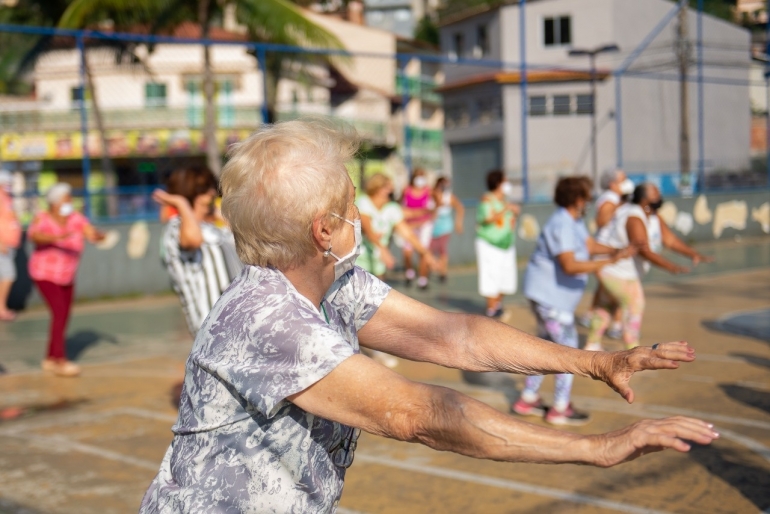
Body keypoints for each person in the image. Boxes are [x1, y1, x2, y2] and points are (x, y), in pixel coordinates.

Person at [139, 119, 718, 514]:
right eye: (348, 205)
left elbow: (457, 337)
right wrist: (597, 447)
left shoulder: (330, 281)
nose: (359, 214)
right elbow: (417, 414)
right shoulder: (267, 320)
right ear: (323, 231)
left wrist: (596, 360)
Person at [514, 177, 634, 425]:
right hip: (550, 301)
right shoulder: (562, 224)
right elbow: (569, 265)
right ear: (578, 199)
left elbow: (589, 245)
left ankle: (527, 398)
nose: (589, 201)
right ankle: (560, 407)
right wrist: (609, 262)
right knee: (567, 353)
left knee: (545, 349)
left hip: (552, 300)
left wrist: (616, 250)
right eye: (587, 197)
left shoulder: (573, 221)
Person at [585, 183, 713, 351]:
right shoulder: (633, 217)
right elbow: (643, 250)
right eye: (656, 194)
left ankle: (592, 344)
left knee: (606, 305)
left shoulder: (652, 215)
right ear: (644, 199)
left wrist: (692, 254)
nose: (660, 197)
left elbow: (670, 240)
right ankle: (633, 351)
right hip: (615, 270)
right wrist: (670, 266)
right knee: (635, 304)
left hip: (615, 270)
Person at [153, 167, 242, 336]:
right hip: (214, 326)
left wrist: (216, 213)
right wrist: (182, 204)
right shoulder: (176, 227)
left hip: (238, 317)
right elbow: (192, 240)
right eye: (203, 188)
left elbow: (245, 238)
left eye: (211, 186)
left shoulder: (211, 227)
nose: (210, 193)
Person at [27, 183, 105, 377]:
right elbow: (35, 236)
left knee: (64, 315)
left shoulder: (76, 218)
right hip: (44, 273)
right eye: (66, 198)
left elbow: (89, 231)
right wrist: (58, 236)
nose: (70, 202)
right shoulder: (42, 218)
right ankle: (60, 360)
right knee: (59, 312)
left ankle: (50, 357)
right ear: (55, 202)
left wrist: (97, 236)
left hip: (67, 275)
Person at [577, 168, 635, 337]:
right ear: (612, 184)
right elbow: (601, 221)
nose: (626, 182)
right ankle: (616, 323)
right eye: (622, 180)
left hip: (610, 248)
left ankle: (591, 314)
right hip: (605, 248)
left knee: (605, 288)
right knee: (617, 288)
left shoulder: (616, 199)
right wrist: (619, 205)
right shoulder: (611, 199)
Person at [356, 173, 434, 281]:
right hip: (357, 262)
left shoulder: (391, 208)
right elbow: (368, 229)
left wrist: (425, 253)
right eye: (388, 188)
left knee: (378, 292)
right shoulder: (363, 202)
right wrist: (382, 249)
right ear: (378, 188)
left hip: (379, 264)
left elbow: (408, 234)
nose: (391, 191)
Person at [476, 169, 520, 318]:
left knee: (505, 279)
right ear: (498, 183)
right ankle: (491, 311)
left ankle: (497, 305)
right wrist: (506, 209)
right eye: (505, 181)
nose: (507, 184)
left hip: (506, 244)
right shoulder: (487, 200)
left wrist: (514, 213)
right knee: (491, 277)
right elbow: (487, 218)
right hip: (490, 244)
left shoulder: (505, 202)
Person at [399, 168, 434, 289]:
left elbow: (432, 209)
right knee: (407, 252)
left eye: (422, 176)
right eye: (418, 176)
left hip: (424, 225)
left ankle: (423, 278)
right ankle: (409, 272)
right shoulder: (406, 190)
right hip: (410, 225)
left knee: (423, 251)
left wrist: (423, 219)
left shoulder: (428, 191)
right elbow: (400, 207)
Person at [430, 176, 464, 283]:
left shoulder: (449, 197)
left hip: (445, 226)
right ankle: (432, 268)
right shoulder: (431, 194)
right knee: (430, 249)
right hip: (431, 225)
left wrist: (458, 223)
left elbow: (460, 208)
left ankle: (443, 272)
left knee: (442, 249)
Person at [0, 171, 21, 321]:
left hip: (9, 243)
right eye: (6, 183)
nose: (9, 185)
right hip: (3, 244)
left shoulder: (7, 199)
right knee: (8, 275)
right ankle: (1, 309)